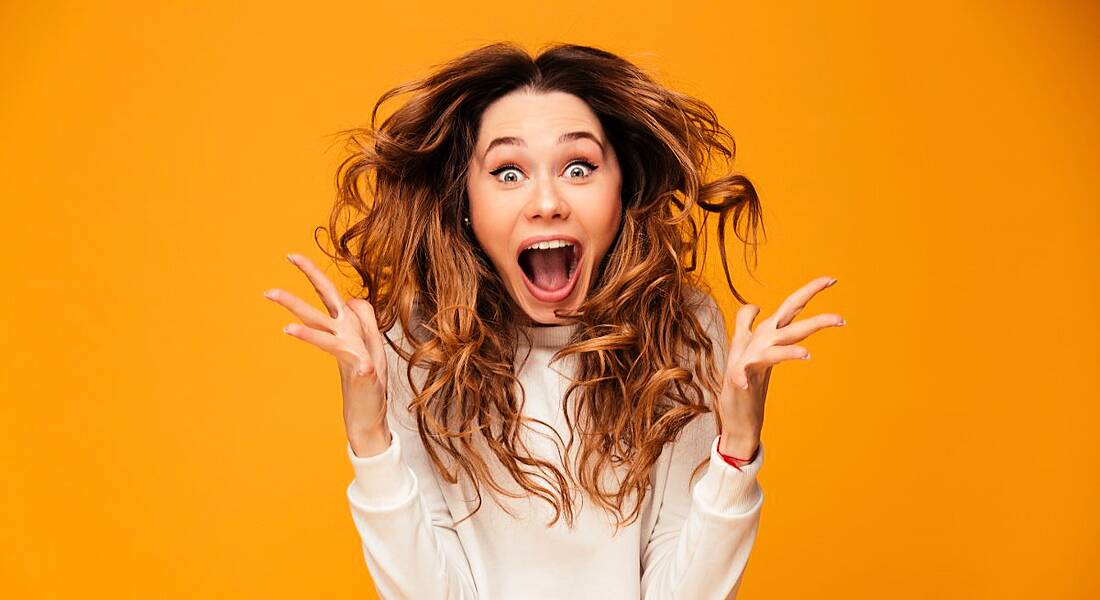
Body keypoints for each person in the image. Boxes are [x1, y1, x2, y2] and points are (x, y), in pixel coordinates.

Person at [264, 42, 844, 599]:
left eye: (579, 167)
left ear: (624, 190)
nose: (546, 202)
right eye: (508, 172)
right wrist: (369, 438)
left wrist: (736, 448)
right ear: (465, 201)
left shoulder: (680, 328)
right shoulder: (417, 343)